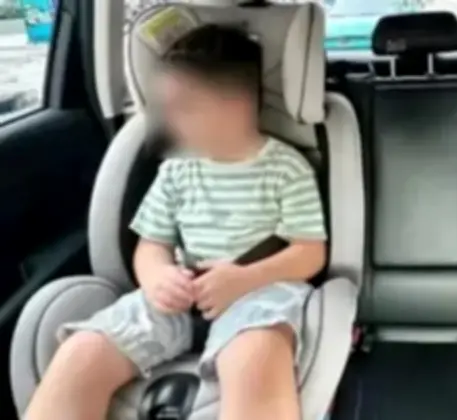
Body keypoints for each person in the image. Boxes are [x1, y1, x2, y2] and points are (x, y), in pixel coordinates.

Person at [25, 24, 327, 420]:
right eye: (164, 109)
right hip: (181, 293)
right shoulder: (176, 169)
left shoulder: (286, 168)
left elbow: (309, 252)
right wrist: (157, 277)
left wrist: (244, 280)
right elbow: (152, 243)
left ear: (237, 107)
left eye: (184, 109)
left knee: (256, 356)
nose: (169, 122)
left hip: (260, 291)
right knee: (80, 352)